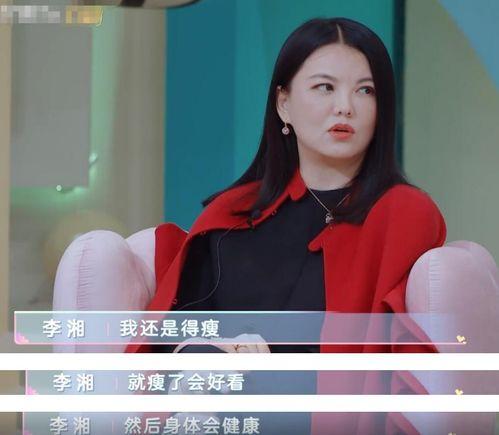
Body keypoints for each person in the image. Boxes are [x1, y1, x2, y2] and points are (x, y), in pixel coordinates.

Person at [127, 16, 447, 434]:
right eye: (325, 87)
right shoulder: (231, 215)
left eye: (365, 90)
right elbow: (169, 342)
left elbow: (402, 364)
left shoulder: (404, 213)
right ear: (284, 104)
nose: (345, 106)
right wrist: (213, 352)